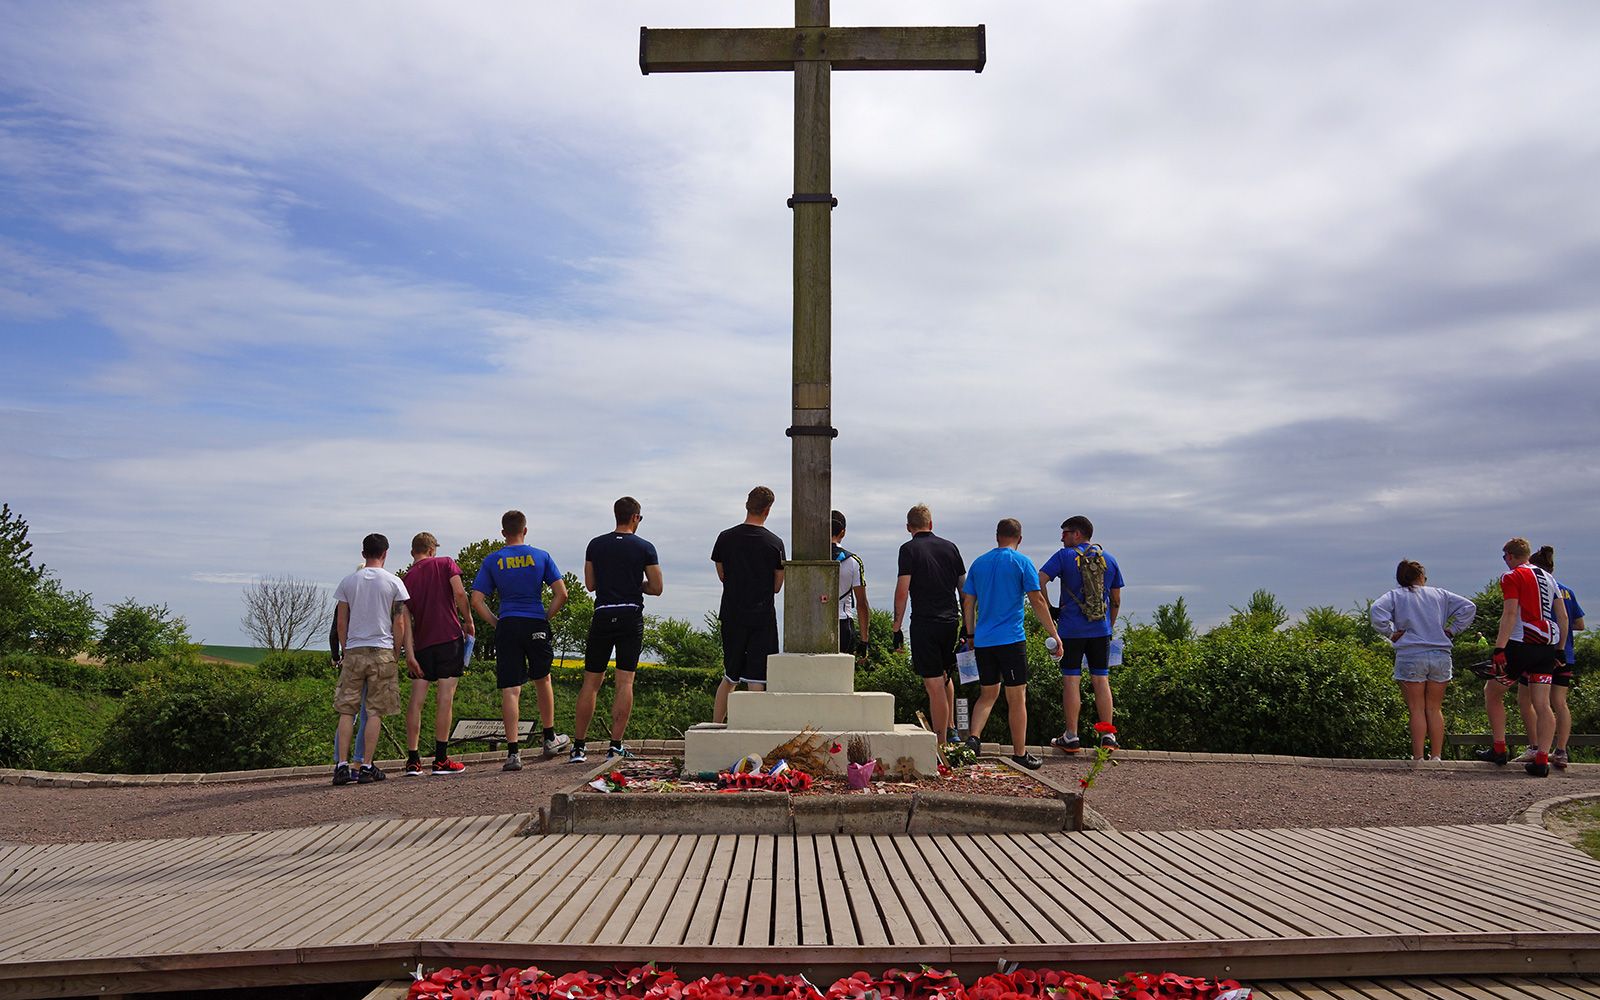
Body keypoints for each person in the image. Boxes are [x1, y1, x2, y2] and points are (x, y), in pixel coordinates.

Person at [470, 510, 571, 771]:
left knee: (511, 690)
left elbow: (476, 600)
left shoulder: (493, 560)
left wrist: (498, 622)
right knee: (543, 679)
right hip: (535, 622)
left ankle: (513, 754)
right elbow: (562, 594)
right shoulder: (541, 556)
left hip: (508, 624)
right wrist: (544, 617)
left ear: (503, 533)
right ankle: (550, 739)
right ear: (525, 530)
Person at [961, 519, 1063, 770]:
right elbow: (1037, 600)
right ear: (1020, 538)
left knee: (987, 695)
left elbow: (968, 602)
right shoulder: (1022, 562)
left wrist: (971, 635)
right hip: (1011, 640)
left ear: (997, 536)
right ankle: (1020, 754)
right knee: (1016, 698)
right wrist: (1054, 633)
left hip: (983, 641)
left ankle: (973, 740)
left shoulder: (979, 563)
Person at [572, 497, 663, 763]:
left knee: (591, 683)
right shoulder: (645, 547)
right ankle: (615, 745)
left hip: (603, 614)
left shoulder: (595, 545)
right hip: (629, 616)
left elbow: (590, 585)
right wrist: (636, 584)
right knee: (625, 682)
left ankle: (578, 747)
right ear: (635, 517)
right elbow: (657, 587)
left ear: (616, 515)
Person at [1476, 537, 1567, 777]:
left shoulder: (1511, 576)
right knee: (1542, 703)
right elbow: (1563, 617)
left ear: (1509, 556)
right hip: (1547, 645)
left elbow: (1509, 613)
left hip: (1520, 642)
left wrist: (1499, 649)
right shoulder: (1550, 578)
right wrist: (1560, 649)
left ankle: (1499, 748)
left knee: (1493, 692)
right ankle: (1541, 760)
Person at [1369, 560, 1475, 761]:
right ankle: (1436, 756)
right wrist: (1453, 629)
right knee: (1434, 708)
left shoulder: (1395, 596)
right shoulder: (1440, 594)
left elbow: (1376, 610)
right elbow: (1469, 607)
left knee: (1416, 709)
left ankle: (1418, 757)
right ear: (1420, 577)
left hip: (1410, 654)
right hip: (1440, 654)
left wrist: (1389, 633)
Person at [1039, 515, 1124, 753]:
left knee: (1071, 681)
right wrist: (1109, 625)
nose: (1062, 538)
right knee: (1101, 680)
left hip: (1070, 629)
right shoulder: (1109, 559)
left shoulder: (1064, 556)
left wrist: (1051, 610)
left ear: (1077, 534)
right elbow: (1116, 600)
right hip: (1100, 630)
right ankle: (1108, 734)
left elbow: (1040, 579)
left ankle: (1071, 736)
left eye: (1065, 532)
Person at [331, 533, 409, 786]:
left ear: (363, 554)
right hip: (382, 650)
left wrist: (346, 648)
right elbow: (399, 621)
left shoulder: (347, 582)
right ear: (385, 554)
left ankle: (341, 766)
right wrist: (396, 652)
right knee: (375, 711)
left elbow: (342, 621)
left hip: (354, 649)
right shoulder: (394, 582)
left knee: (347, 708)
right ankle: (366, 766)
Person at [400, 532, 474, 775]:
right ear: (432, 550)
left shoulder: (405, 580)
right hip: (449, 639)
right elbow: (460, 593)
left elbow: (404, 622)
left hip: (421, 645)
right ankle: (441, 760)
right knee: (445, 698)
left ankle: (413, 760)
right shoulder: (445, 563)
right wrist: (468, 621)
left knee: (416, 701)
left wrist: (409, 654)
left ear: (413, 553)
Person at [711, 486, 786, 723]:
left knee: (730, 676)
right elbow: (777, 586)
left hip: (732, 613)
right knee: (757, 680)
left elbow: (721, 574)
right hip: (762, 616)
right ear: (768, 510)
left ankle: (715, 726)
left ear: (746, 505)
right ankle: (754, 729)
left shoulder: (725, 538)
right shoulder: (775, 543)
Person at [893, 504, 966, 743]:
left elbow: (902, 592)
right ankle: (952, 729)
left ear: (908, 527)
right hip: (951, 622)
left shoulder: (908, 550)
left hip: (925, 622)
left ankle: (940, 744)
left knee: (933, 686)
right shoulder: (951, 547)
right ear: (931, 524)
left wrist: (896, 628)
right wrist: (968, 626)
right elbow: (964, 590)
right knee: (945, 676)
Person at [1528, 546, 1584, 769]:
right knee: (1560, 702)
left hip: (1543, 652)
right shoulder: (1567, 591)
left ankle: (1536, 746)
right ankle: (1561, 750)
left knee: (1534, 701)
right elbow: (1578, 624)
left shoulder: (1539, 590)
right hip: (1567, 653)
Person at [832, 510, 869, 658]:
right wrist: (864, 640)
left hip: (815, 623)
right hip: (843, 624)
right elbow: (862, 603)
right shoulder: (853, 562)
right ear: (843, 532)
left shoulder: (810, 559)